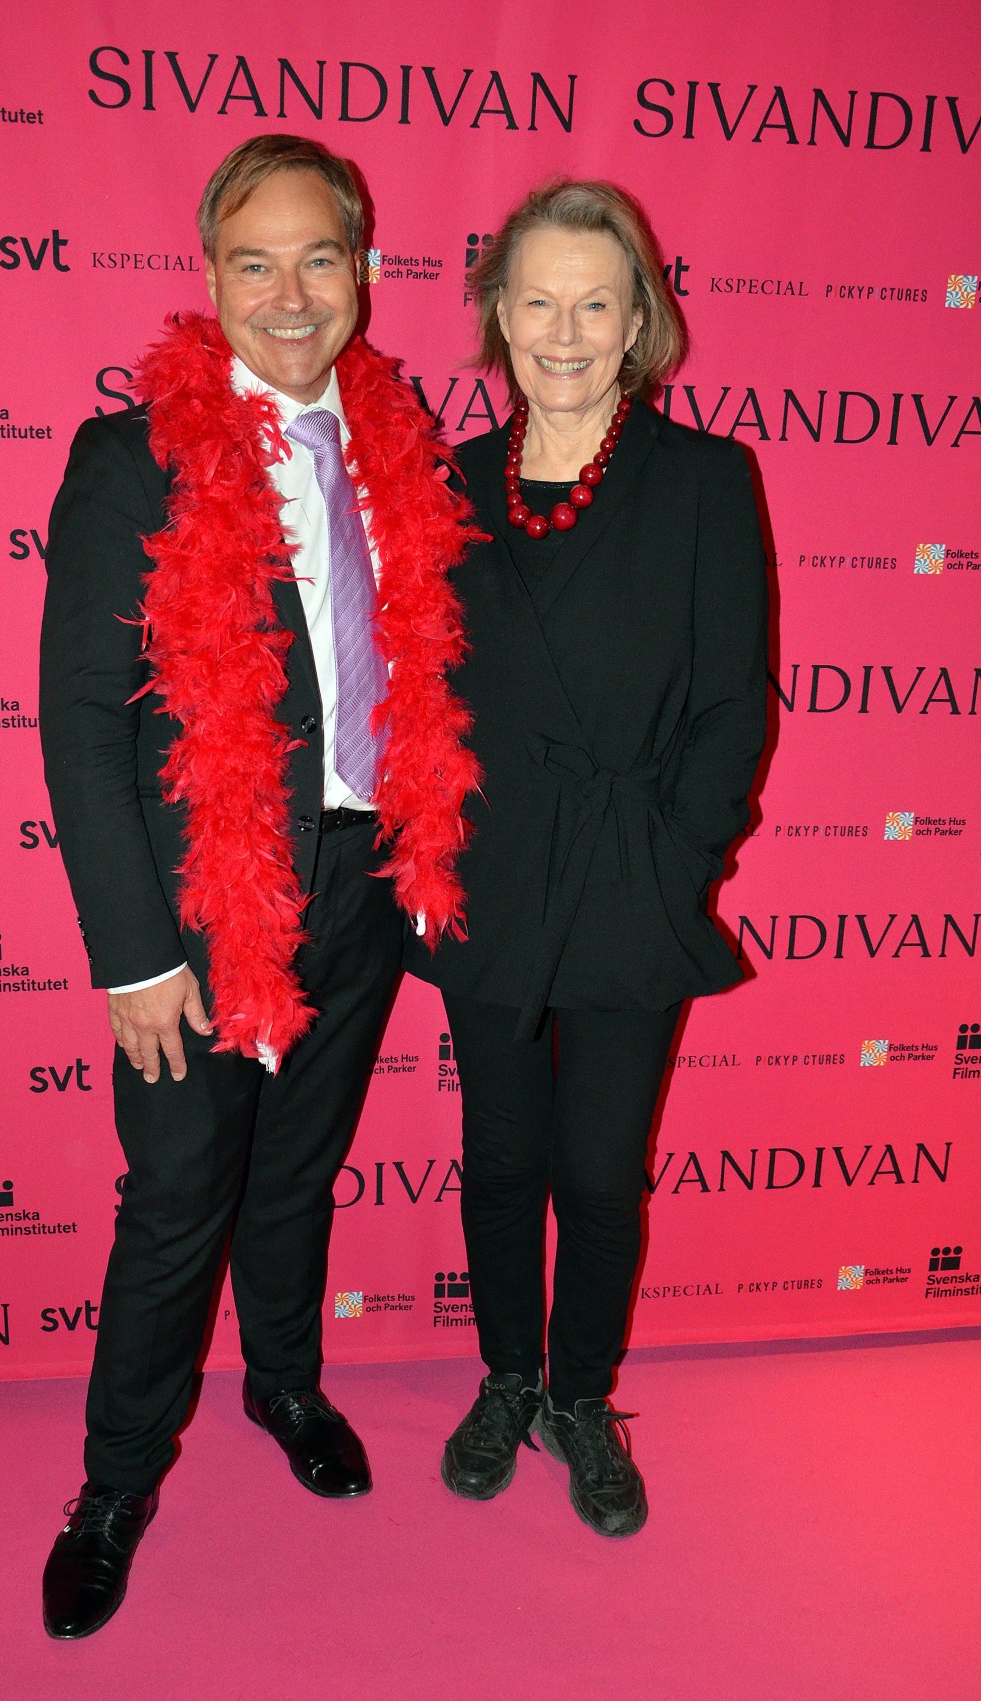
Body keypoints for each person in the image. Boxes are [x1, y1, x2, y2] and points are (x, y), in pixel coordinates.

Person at [38, 133, 479, 1639]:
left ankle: (284, 1382)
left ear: (364, 268)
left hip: (359, 877)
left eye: (318, 259)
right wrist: (133, 954)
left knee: (298, 1168)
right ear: (211, 278)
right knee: (179, 1194)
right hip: (201, 903)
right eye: (254, 263)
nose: (290, 295)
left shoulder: (402, 444)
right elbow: (82, 719)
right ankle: (113, 1485)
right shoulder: (133, 459)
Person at [406, 180, 768, 1537]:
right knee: (501, 1155)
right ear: (499, 316)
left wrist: (677, 860)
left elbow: (734, 702)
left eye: (595, 305)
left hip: (629, 871)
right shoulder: (444, 486)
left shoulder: (704, 480)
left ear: (638, 322)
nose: (565, 333)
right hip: (491, 873)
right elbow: (415, 688)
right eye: (539, 302)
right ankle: (507, 1375)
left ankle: (581, 1395)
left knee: (602, 1169)